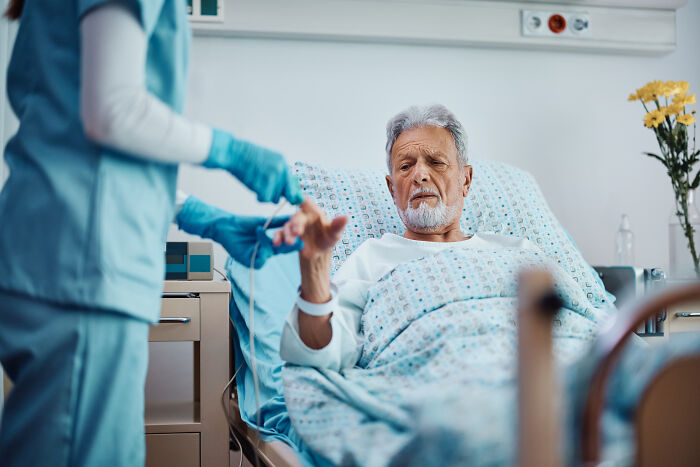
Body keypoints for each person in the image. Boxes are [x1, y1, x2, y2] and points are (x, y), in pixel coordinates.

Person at [0, 1, 301, 465]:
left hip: (59, 254)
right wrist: (231, 151)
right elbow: (113, 112)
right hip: (81, 268)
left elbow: (86, 139)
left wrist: (201, 216)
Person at [274, 104, 538, 371]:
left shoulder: (518, 253)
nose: (420, 175)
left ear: (466, 180)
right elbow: (322, 355)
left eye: (436, 162)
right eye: (405, 166)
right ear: (392, 189)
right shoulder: (372, 258)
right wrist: (315, 273)